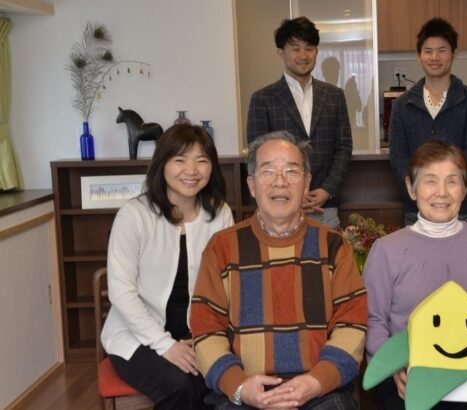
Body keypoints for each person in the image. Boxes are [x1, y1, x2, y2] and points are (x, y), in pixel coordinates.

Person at [190, 131, 367, 410]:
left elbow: (352, 325)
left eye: (291, 171)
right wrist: (240, 386)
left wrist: (315, 382)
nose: (280, 181)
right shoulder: (222, 247)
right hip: (246, 392)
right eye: (268, 171)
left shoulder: (333, 246)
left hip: (317, 391)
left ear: (307, 183)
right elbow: (205, 330)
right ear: (251, 185)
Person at [365, 140, 467, 410]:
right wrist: (395, 368)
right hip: (410, 377)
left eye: (452, 181)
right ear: (411, 188)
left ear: (465, 189)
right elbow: (373, 320)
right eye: (430, 181)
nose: (441, 192)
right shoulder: (386, 249)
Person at [102, 124, 234, 410]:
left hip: (196, 333)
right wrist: (166, 346)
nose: (192, 170)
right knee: (178, 387)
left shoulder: (220, 213)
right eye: (180, 160)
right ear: (162, 164)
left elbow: (227, 285)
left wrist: (206, 338)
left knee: (213, 382)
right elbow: (121, 293)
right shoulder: (134, 215)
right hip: (136, 336)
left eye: (201, 160)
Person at [247, 16, 352, 229]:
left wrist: (327, 189)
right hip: (280, 204)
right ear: (281, 52)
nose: (303, 56)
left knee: (326, 251)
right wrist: (294, 192)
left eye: (309, 49)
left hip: (324, 206)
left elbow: (344, 147)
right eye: (295, 49)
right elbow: (257, 156)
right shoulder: (262, 99)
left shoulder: (334, 96)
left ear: (316, 52)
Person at [388, 17, 467, 225]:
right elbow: (398, 157)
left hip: (460, 209)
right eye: (428, 51)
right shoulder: (402, 105)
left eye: (442, 50)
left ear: (454, 53)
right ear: (419, 56)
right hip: (416, 210)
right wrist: (419, 194)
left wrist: (451, 193)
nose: (435, 57)